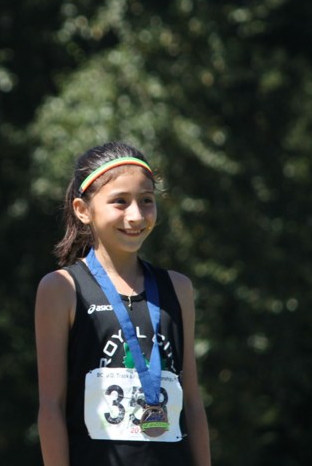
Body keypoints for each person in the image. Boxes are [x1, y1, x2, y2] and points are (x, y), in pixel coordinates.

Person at [35, 142, 211, 465]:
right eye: (120, 202)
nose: (136, 216)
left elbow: (194, 404)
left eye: (147, 201)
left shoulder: (178, 288)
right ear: (82, 209)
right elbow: (51, 408)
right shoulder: (61, 289)